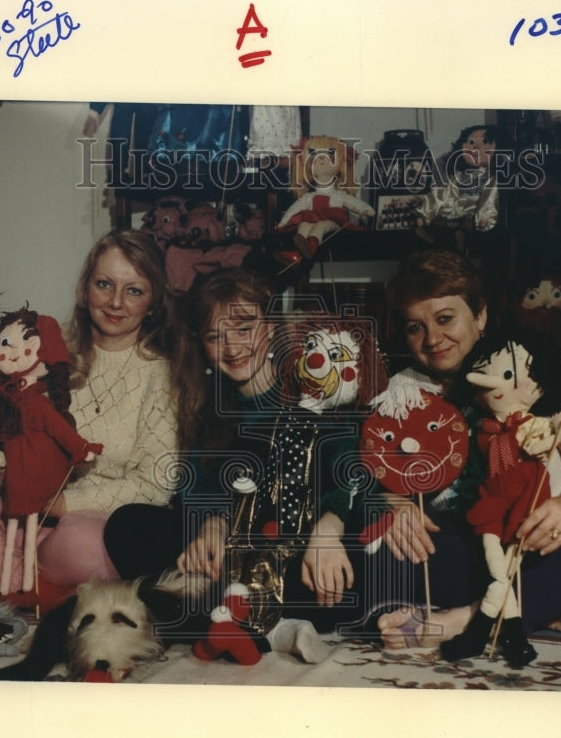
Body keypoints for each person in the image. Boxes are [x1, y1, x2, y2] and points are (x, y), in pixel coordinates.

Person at [373, 248, 561, 650]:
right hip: (468, 550)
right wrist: (394, 506)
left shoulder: (540, 363)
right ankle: (553, 608)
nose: (433, 339)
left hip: (540, 540)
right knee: (372, 551)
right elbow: (383, 474)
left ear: (480, 315)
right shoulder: (404, 391)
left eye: (445, 318)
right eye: (416, 327)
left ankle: (469, 619)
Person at [103, 268, 370, 655]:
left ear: (270, 327)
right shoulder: (203, 404)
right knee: (127, 525)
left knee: (369, 559)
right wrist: (210, 523)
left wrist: (330, 525)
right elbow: (192, 486)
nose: (232, 347)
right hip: (232, 557)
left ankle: (228, 619)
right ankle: (271, 628)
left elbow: (351, 464)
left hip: (299, 551)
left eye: (244, 329)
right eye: (215, 336)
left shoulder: (313, 386)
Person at [0, 230, 178, 604]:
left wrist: (63, 505)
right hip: (23, 504)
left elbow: (156, 482)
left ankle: (9, 577)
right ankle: (38, 586)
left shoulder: (160, 374)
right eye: (104, 284)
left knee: (83, 545)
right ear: (86, 289)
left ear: (152, 303)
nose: (116, 302)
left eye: (134, 290)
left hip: (89, 521)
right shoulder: (46, 346)